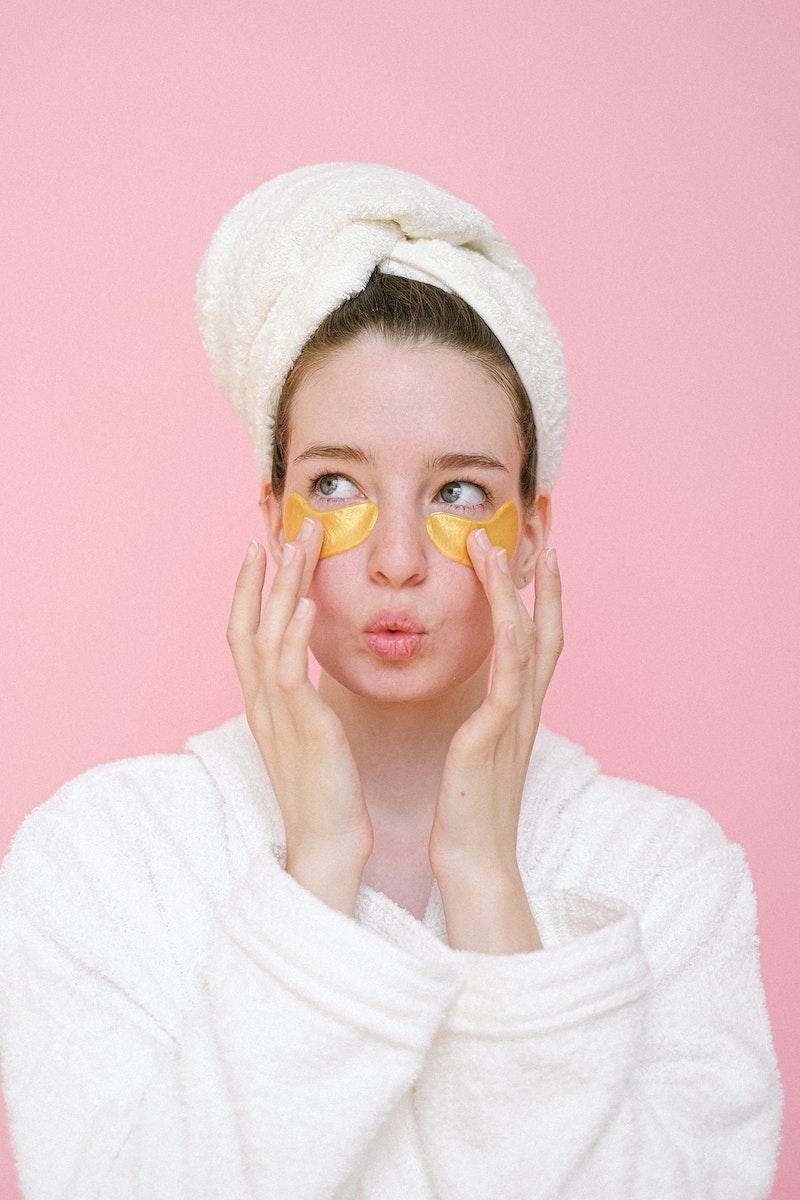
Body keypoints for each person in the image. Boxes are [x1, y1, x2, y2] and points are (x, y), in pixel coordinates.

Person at [0, 163, 783, 1199]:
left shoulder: (667, 874)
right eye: (337, 485)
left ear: (532, 531)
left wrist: (487, 884)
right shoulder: (107, 856)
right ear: (275, 512)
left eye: (460, 491)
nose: (399, 559)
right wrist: (318, 868)